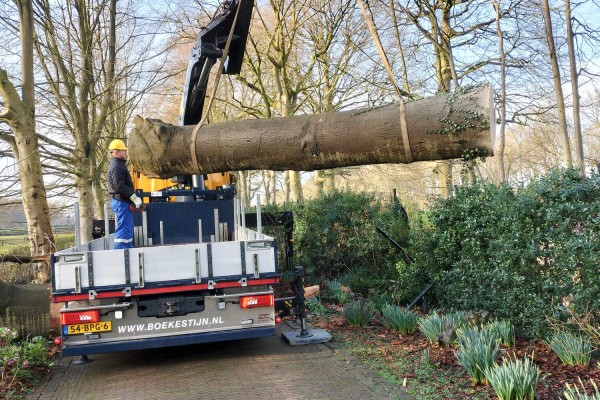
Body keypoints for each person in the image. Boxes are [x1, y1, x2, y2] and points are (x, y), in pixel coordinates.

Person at [107, 139, 142, 249]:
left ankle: (127, 250)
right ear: (116, 152)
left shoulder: (118, 165)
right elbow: (119, 186)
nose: (125, 153)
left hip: (121, 201)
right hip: (121, 202)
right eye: (123, 151)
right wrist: (134, 197)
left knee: (127, 228)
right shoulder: (116, 166)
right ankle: (121, 253)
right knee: (123, 229)